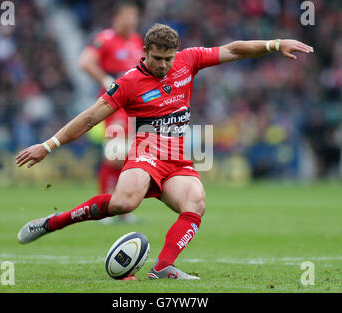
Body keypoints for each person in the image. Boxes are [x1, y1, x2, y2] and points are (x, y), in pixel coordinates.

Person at [16, 23, 313, 280]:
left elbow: (233, 50)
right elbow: (91, 116)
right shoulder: (128, 82)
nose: (163, 65)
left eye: (168, 59)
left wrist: (274, 44)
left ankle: (164, 267)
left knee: (195, 203)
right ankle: (53, 222)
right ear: (145, 51)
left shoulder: (188, 60)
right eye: (157, 58)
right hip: (145, 152)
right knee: (123, 204)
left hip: (177, 158)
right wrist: (47, 145)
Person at [79, 1, 143, 224]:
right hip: (114, 103)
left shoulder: (136, 40)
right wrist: (106, 80)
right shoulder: (104, 38)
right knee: (114, 155)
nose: (131, 21)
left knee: (128, 156)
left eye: (133, 16)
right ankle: (104, 209)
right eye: (127, 16)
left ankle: (122, 209)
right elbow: (85, 62)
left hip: (134, 104)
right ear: (117, 17)